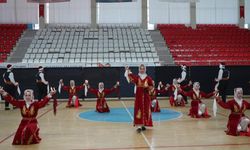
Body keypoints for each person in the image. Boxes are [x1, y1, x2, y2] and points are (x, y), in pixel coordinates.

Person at [124, 64, 153, 133]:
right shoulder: (137, 77)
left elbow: (151, 87)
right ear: (139, 69)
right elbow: (131, 78)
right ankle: (139, 126)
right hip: (139, 97)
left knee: (146, 109)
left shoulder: (148, 78)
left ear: (145, 69)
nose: (142, 70)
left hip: (146, 97)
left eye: (143, 69)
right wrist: (127, 70)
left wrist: (147, 87)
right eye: (140, 69)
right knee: (138, 110)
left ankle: (144, 125)